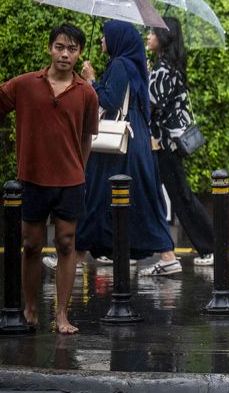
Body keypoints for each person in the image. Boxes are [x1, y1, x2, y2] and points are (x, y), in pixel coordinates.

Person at [0, 23, 99, 334]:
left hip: (70, 181)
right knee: (31, 244)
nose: (65, 54)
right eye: (59, 47)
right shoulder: (25, 84)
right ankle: (30, 308)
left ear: (79, 53)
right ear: (50, 48)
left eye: (72, 49)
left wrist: (78, 170)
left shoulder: (87, 93)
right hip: (32, 178)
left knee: (66, 243)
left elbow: (87, 137)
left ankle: (62, 315)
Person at [75, 20, 180, 276]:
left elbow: (110, 100)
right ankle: (167, 256)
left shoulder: (120, 65)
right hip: (135, 138)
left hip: (121, 145)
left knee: (98, 195)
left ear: (117, 40)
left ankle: (74, 257)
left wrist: (91, 81)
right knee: (139, 197)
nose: (102, 41)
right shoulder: (134, 65)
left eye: (105, 36)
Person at [147, 17, 216, 266]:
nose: (148, 36)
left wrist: (146, 77)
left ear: (164, 37)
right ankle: (210, 248)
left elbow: (151, 105)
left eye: (153, 32)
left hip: (164, 143)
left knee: (181, 196)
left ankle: (212, 248)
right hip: (169, 142)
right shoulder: (170, 66)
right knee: (175, 195)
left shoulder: (163, 69)